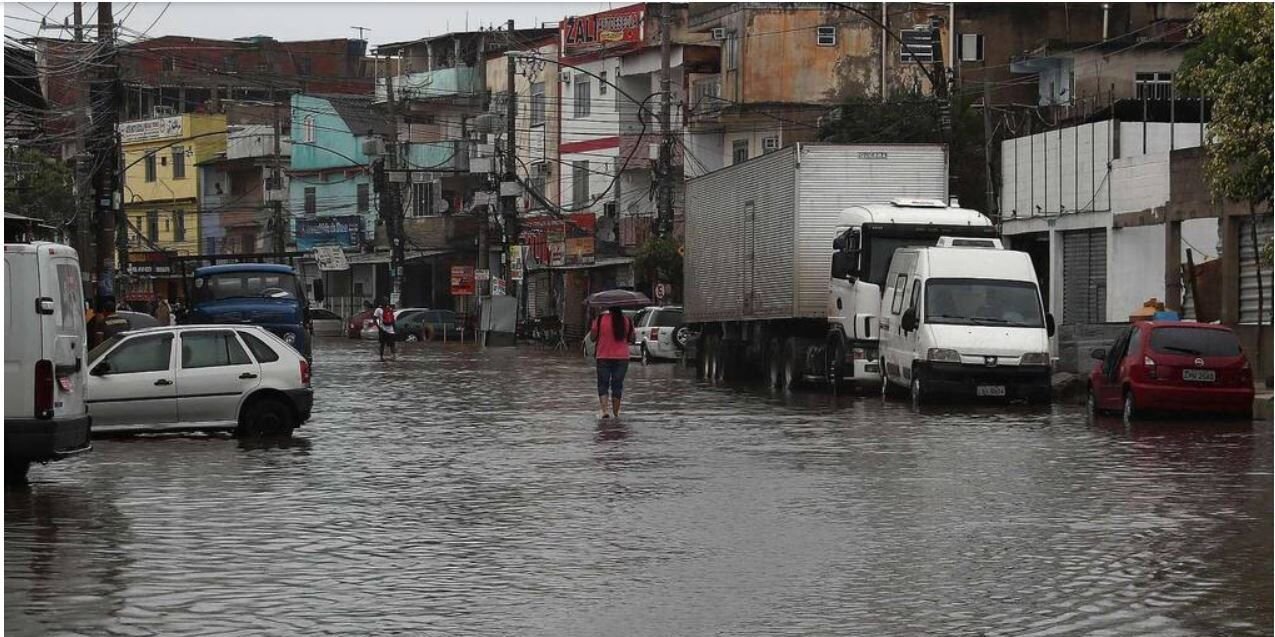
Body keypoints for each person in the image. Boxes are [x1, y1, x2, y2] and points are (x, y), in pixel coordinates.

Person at [590, 306, 634, 419]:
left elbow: (592, 338)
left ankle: (604, 411)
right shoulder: (627, 320)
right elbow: (632, 339)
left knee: (603, 384)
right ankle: (616, 413)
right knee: (617, 385)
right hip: (622, 357)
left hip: (603, 356)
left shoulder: (600, 319)